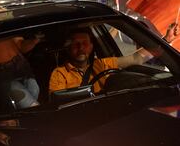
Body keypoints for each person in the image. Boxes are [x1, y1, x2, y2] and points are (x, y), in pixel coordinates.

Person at [49, 24, 179, 94]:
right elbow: (59, 107)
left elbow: (136, 58)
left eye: (85, 43)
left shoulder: (102, 64)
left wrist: (166, 40)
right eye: (76, 44)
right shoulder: (59, 74)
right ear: (68, 48)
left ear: (91, 46)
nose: (81, 47)